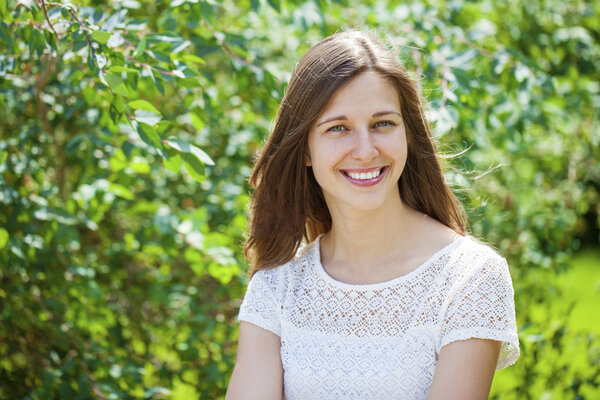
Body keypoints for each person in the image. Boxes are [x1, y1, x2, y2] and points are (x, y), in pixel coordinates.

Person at [226, 30, 519, 400]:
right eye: (338, 128)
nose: (365, 150)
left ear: (407, 135)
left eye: (383, 124)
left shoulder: (469, 279)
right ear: (305, 150)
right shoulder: (277, 288)